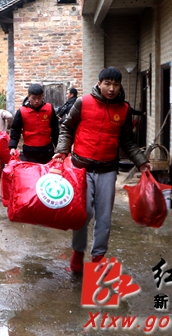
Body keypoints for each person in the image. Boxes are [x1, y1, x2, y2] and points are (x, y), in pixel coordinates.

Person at [53, 67, 152, 273]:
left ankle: (98, 258)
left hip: (107, 170)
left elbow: (127, 141)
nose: (111, 88)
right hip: (81, 168)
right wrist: (62, 151)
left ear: (120, 86)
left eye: (115, 84)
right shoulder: (83, 103)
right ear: (99, 84)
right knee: (83, 213)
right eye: (107, 83)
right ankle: (78, 252)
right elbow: (67, 128)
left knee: (104, 217)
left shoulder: (123, 109)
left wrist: (141, 161)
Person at [8, 84, 59, 164]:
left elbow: (55, 129)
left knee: (47, 173)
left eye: (39, 98)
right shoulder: (22, 111)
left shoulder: (49, 108)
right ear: (28, 97)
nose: (37, 101)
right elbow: (15, 129)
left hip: (47, 149)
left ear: (43, 96)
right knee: (32, 174)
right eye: (34, 98)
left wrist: (60, 148)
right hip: (30, 150)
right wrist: (12, 147)